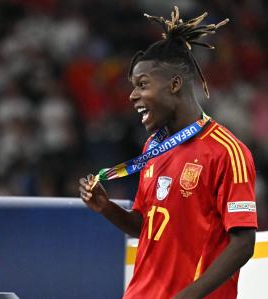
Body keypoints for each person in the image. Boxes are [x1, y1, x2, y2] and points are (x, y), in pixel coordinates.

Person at [79, 7, 257, 299]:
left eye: (143, 85)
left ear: (175, 84)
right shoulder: (154, 148)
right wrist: (107, 208)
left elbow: (243, 244)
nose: (132, 96)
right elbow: (147, 227)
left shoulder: (227, 151)